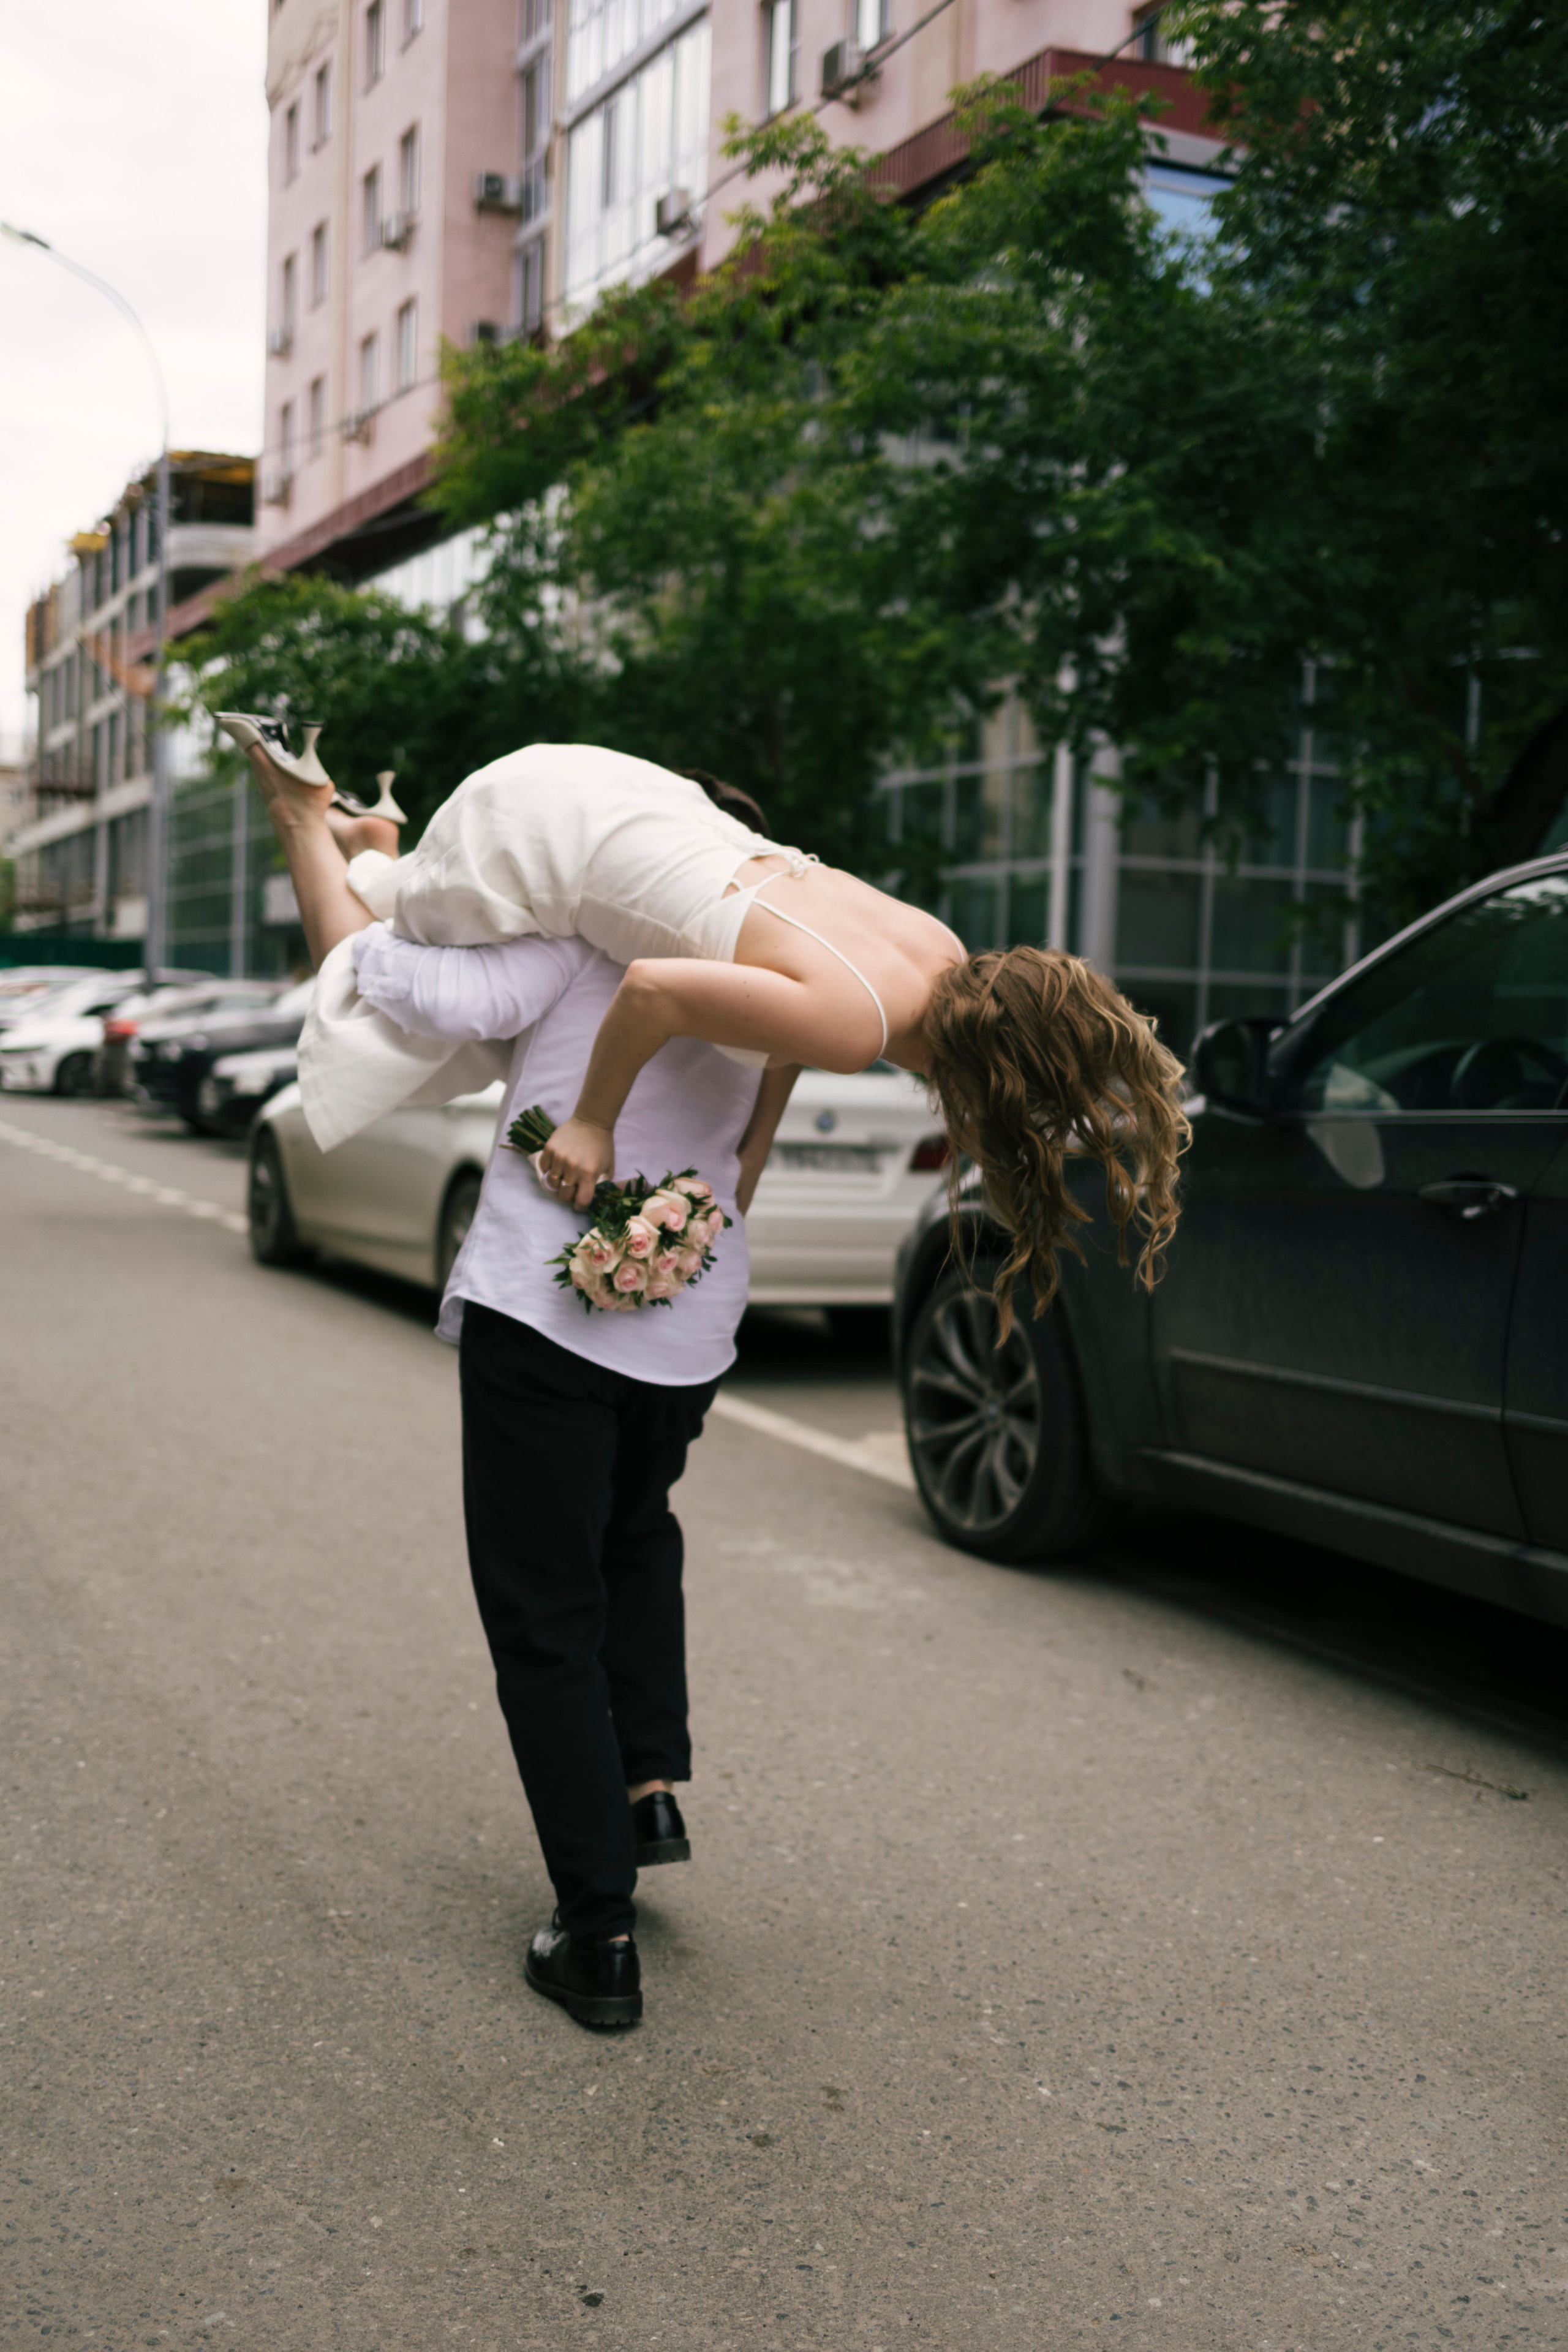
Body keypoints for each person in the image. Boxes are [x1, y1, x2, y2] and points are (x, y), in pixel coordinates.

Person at [224, 721, 1188, 1331]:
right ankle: (310, 815)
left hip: (626, 795)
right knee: (374, 982)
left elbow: (799, 1011)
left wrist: (752, 1154)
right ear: (999, 1085)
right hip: (543, 830)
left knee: (420, 950)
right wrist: (592, 1122)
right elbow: (651, 990)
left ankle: (373, 835)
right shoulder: (861, 1031)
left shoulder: (934, 950)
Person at [339, 841, 801, 2029]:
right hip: (689, 1321)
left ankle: (594, 1934)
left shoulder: (588, 947)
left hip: (549, 1325)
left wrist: (375, 892)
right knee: (633, 1533)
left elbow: (410, 986)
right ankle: (645, 1788)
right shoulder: (774, 980)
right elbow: (747, 1155)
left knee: (543, 1613)